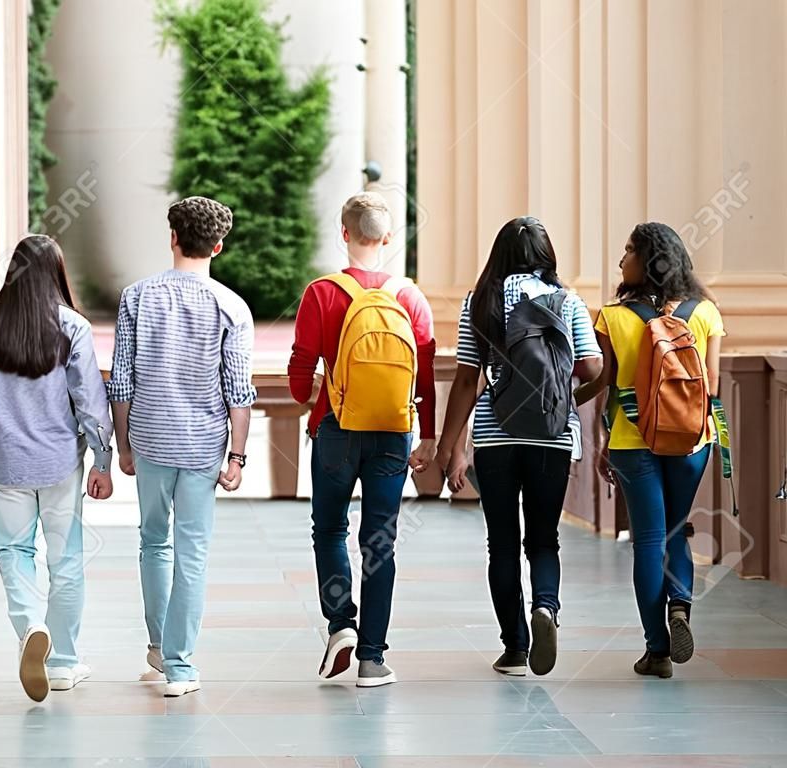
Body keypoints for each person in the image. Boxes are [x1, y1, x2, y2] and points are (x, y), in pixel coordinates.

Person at [0, 235, 114, 702]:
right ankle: (62, 663)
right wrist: (102, 458)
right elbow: (90, 403)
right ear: (56, 274)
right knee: (66, 559)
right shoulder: (71, 326)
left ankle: (30, 626)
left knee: (13, 551)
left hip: (2, 460)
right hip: (59, 461)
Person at [437, 216, 602, 677]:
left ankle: (514, 648)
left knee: (503, 544)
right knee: (544, 539)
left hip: (495, 436)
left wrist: (450, 448)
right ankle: (545, 607)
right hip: (551, 434)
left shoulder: (480, 301)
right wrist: (566, 399)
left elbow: (468, 379)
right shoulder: (567, 301)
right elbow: (591, 368)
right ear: (547, 255)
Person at [287, 192, 438, 687]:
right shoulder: (410, 296)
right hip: (393, 433)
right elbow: (426, 375)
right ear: (389, 238)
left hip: (336, 427)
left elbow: (298, 374)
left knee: (329, 531)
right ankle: (373, 658)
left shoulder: (321, 293)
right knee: (380, 541)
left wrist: (314, 393)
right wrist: (429, 436)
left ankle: (340, 625)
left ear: (345, 233)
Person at [108, 196, 255, 698]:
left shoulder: (136, 297)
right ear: (218, 246)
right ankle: (180, 664)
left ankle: (157, 643)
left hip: (149, 437)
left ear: (172, 237)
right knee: (192, 550)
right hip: (203, 443)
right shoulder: (231, 306)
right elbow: (238, 389)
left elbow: (121, 380)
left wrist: (122, 445)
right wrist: (237, 455)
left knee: (153, 540)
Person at [575, 222, 725, 679]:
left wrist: (600, 438)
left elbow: (606, 385)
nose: (622, 260)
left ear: (647, 260)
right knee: (677, 530)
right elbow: (712, 387)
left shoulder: (612, 317)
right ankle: (680, 605)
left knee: (648, 540)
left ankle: (656, 649)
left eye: (628, 251)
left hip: (632, 440)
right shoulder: (705, 313)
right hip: (691, 440)